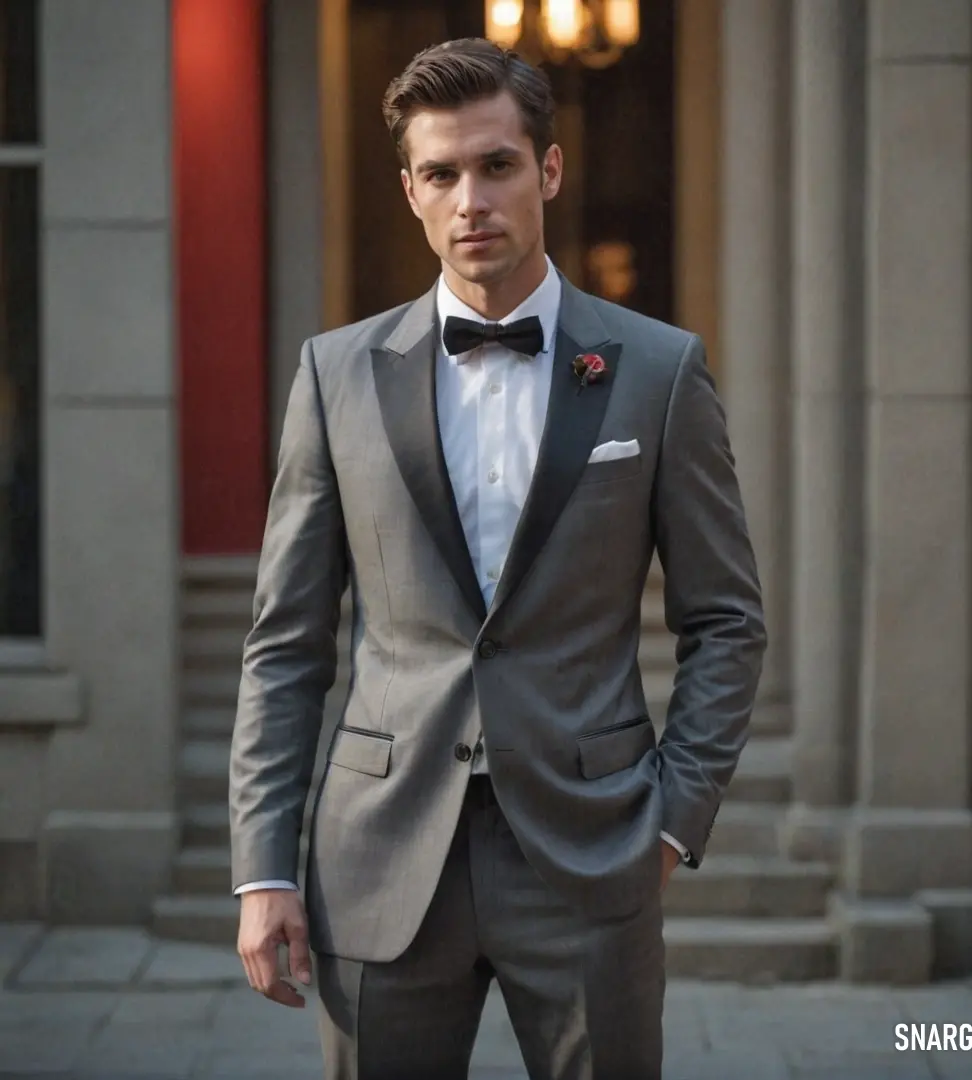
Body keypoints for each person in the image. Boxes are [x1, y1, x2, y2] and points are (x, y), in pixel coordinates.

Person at [229, 36, 766, 1080]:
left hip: (590, 852)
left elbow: (727, 622)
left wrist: (669, 823)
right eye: (442, 174)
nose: (471, 198)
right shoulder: (335, 375)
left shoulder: (657, 373)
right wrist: (261, 867)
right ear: (410, 193)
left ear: (549, 171)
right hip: (379, 853)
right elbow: (286, 642)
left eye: (497, 165)